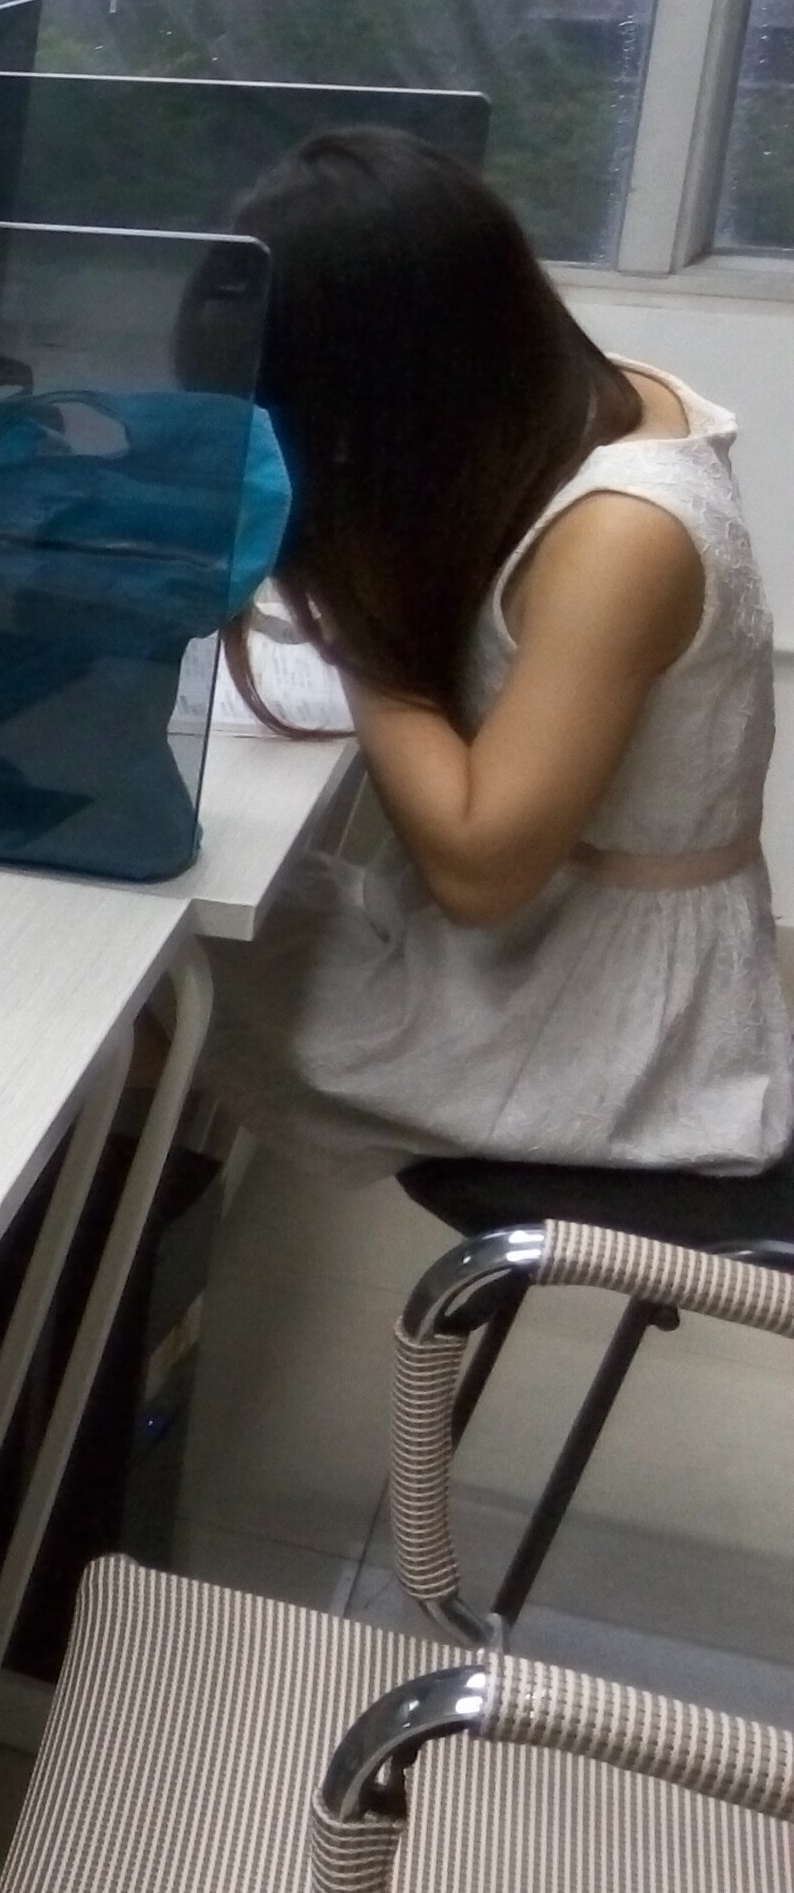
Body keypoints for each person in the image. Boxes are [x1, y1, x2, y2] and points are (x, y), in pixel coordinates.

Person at [212, 127, 791, 1173]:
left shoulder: (624, 535)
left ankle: (100, 1247)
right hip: (549, 947)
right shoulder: (577, 396)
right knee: (202, 914)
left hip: (600, 1031)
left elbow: (482, 873)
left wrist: (345, 590)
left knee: (157, 962)